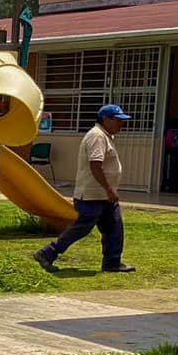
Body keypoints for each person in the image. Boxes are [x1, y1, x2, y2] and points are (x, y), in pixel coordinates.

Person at [35, 104, 135, 274]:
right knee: (82, 228)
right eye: (118, 120)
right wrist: (109, 189)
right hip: (92, 195)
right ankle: (47, 253)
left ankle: (112, 263)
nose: (121, 124)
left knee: (114, 227)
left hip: (103, 196)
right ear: (106, 119)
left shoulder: (106, 136)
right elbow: (96, 166)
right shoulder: (97, 136)